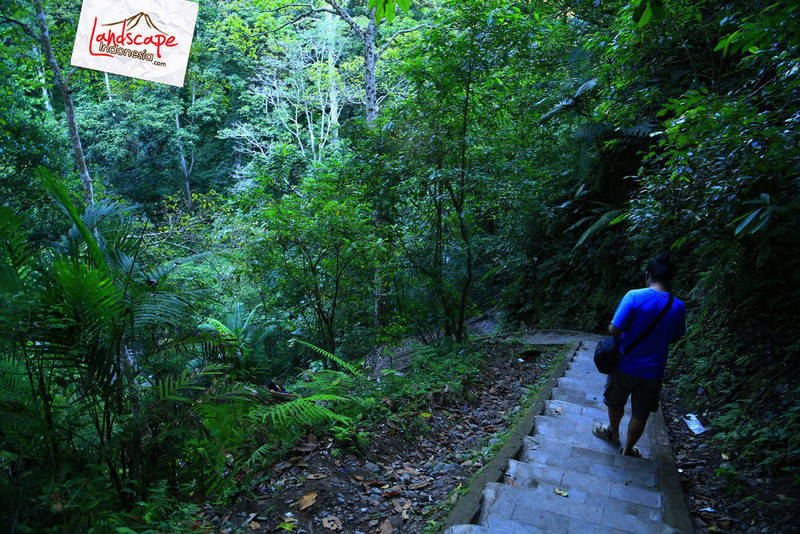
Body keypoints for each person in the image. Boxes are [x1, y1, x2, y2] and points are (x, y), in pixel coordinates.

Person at [592, 253, 686, 457]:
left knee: (616, 402)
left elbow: (614, 329)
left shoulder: (634, 296)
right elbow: (675, 336)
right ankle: (628, 450)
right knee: (640, 413)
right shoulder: (678, 306)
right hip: (654, 371)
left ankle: (613, 433)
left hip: (624, 364)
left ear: (647, 274)